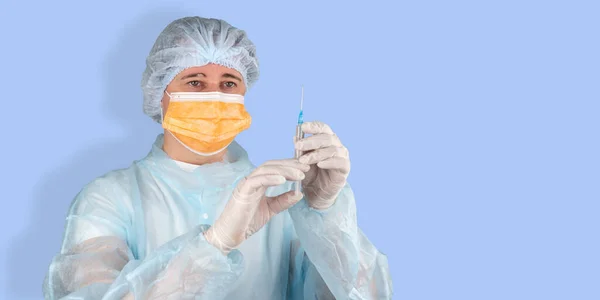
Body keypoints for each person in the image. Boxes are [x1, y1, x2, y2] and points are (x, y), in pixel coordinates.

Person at [43, 16, 393, 299]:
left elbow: (356, 294)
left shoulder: (285, 197)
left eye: (229, 83)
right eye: (194, 82)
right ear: (158, 94)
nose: (214, 96)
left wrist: (325, 214)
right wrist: (213, 246)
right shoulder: (110, 197)